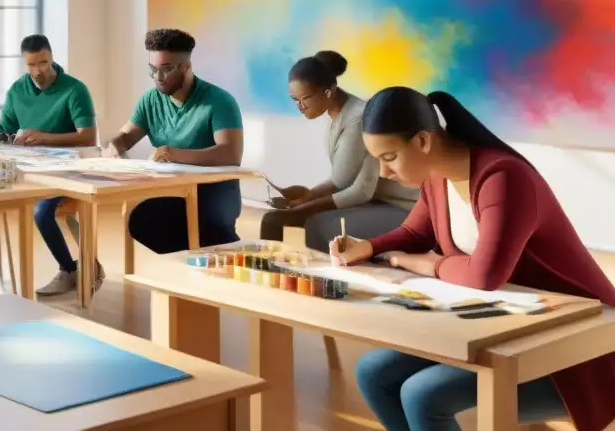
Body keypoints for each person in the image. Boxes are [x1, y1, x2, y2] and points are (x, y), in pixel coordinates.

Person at [331, 86, 615, 431]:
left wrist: (424, 263)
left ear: (423, 141)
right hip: (510, 324)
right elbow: (415, 234)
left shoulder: (504, 178)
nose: (384, 173)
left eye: (389, 157)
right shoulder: (437, 177)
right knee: (373, 372)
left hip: (579, 345)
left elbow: (485, 275)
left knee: (424, 396)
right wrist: (368, 247)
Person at [0, 34, 102, 297]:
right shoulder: (17, 90)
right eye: (31, 65)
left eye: (43, 63)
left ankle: (70, 270)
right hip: (33, 172)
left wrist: (45, 137)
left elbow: (88, 136)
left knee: (42, 212)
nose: (38, 71)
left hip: (71, 171)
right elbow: (4, 135)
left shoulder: (75, 89)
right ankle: (71, 270)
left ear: (51, 57)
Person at [260, 51, 416, 247]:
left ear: (328, 92)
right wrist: (306, 198)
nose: (300, 106)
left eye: (305, 98)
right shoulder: (340, 116)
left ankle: (321, 276)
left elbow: (356, 189)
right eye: (295, 100)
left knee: (317, 224)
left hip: (408, 207)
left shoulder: (357, 119)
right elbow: (350, 183)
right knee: (295, 219)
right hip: (378, 201)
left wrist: (303, 205)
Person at [109, 28, 244, 253]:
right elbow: (125, 136)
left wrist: (174, 153)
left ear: (186, 66)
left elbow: (231, 154)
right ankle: (188, 271)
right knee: (141, 220)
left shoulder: (219, 101)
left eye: (166, 69)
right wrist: (115, 145)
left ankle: (218, 263)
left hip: (215, 197)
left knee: (209, 235)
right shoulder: (150, 100)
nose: (158, 78)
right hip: (173, 192)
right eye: (152, 70)